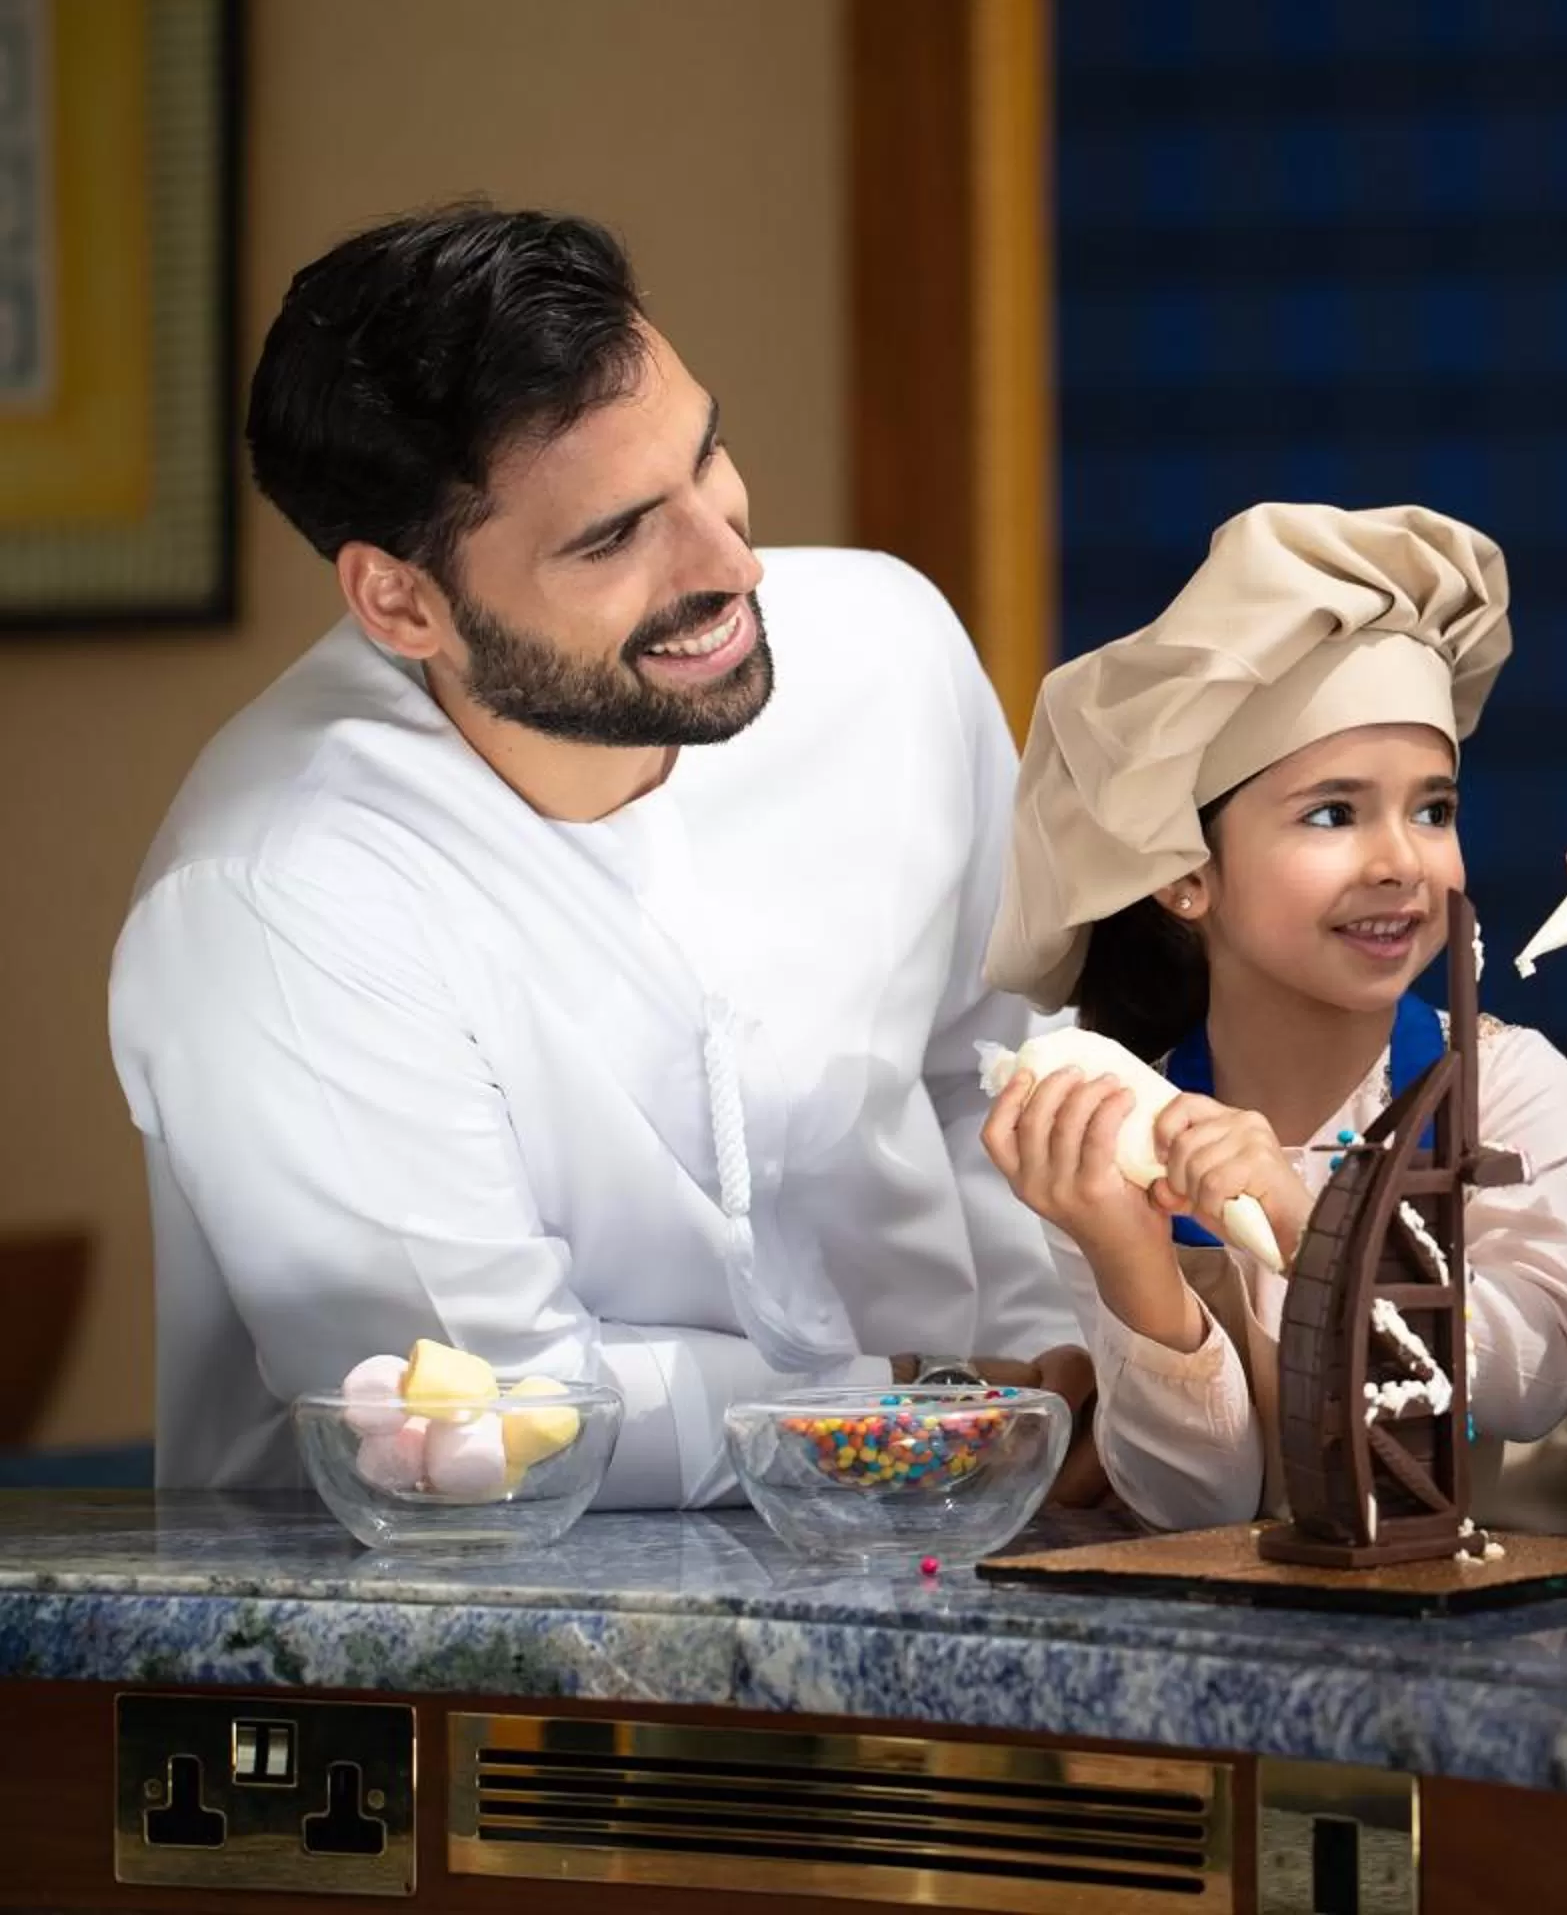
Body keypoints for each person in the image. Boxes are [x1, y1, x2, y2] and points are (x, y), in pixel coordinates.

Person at [111, 205, 1083, 1506]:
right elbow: (507, 1420)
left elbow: (994, 1078)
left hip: (971, 1559)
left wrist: (1064, 1389)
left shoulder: (888, 655)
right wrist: (942, 1407)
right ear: (402, 600)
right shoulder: (275, 898)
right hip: (464, 1662)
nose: (728, 560)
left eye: (708, 456)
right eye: (614, 536)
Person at [981, 502, 1567, 1533]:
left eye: (1434, 809)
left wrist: (1313, 1223)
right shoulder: (1122, 1143)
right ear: (1187, 875)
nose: (1402, 859)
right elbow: (1195, 1504)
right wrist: (1129, 1254)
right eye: (1333, 812)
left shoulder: (1513, 1088)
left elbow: (1531, 1374)